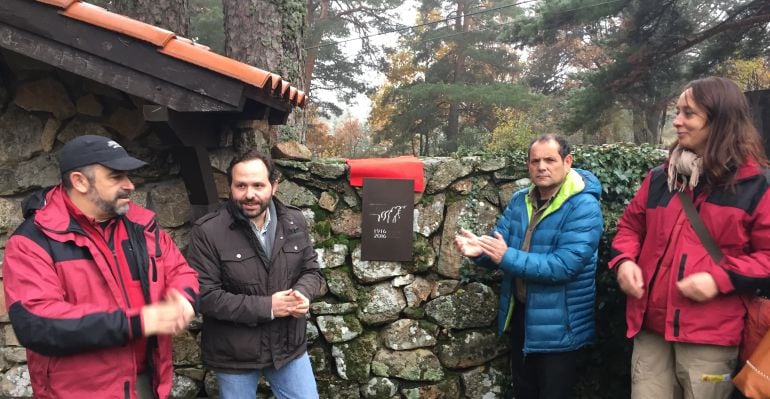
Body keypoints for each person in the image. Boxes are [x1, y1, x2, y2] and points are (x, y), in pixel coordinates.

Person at [2, 135, 199, 399]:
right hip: (78, 391)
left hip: (147, 382)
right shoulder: (32, 242)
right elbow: (36, 323)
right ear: (79, 181)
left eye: (128, 176)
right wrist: (137, 322)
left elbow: (181, 271)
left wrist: (184, 298)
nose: (129, 185)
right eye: (116, 177)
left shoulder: (143, 226)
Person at [610, 76, 770, 399]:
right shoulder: (660, 178)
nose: (677, 121)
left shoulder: (756, 186)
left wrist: (719, 279)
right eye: (677, 111)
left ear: (721, 122)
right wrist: (624, 261)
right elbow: (629, 227)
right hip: (651, 331)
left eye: (688, 113)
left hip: (709, 337)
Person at [455, 134, 603, 399]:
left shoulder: (584, 206)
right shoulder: (519, 200)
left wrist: (505, 256)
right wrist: (479, 252)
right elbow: (500, 247)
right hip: (524, 316)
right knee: (524, 392)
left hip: (560, 325)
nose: (541, 167)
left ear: (567, 161)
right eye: (535, 161)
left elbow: (564, 266)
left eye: (550, 160)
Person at [187, 150, 324, 399]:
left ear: (274, 185)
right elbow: (205, 296)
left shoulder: (294, 221)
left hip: (287, 346)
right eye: (241, 185)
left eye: (258, 185)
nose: (249, 194)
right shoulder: (208, 231)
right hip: (234, 352)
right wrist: (269, 306)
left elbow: (311, 270)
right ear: (230, 186)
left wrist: (303, 293)